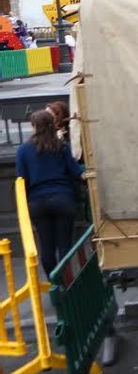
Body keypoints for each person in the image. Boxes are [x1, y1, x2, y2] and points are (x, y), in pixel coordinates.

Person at [16, 109, 84, 276]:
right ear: (52, 125)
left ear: (34, 126)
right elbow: (75, 171)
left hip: (37, 202)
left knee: (46, 245)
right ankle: (67, 282)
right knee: (64, 244)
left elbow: (22, 179)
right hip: (63, 198)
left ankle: (54, 283)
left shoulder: (23, 150)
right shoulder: (61, 146)